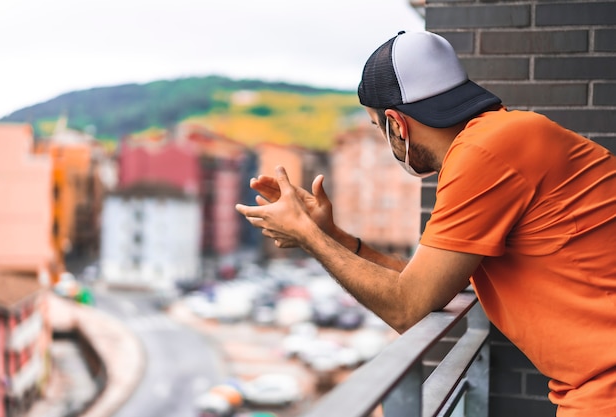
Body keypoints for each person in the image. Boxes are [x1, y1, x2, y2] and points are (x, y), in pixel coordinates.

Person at [235, 30, 616, 416]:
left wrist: (305, 235)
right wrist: (328, 234)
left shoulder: (485, 153)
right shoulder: (503, 138)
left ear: (396, 124)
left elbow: (408, 307)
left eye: (376, 127)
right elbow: (425, 286)